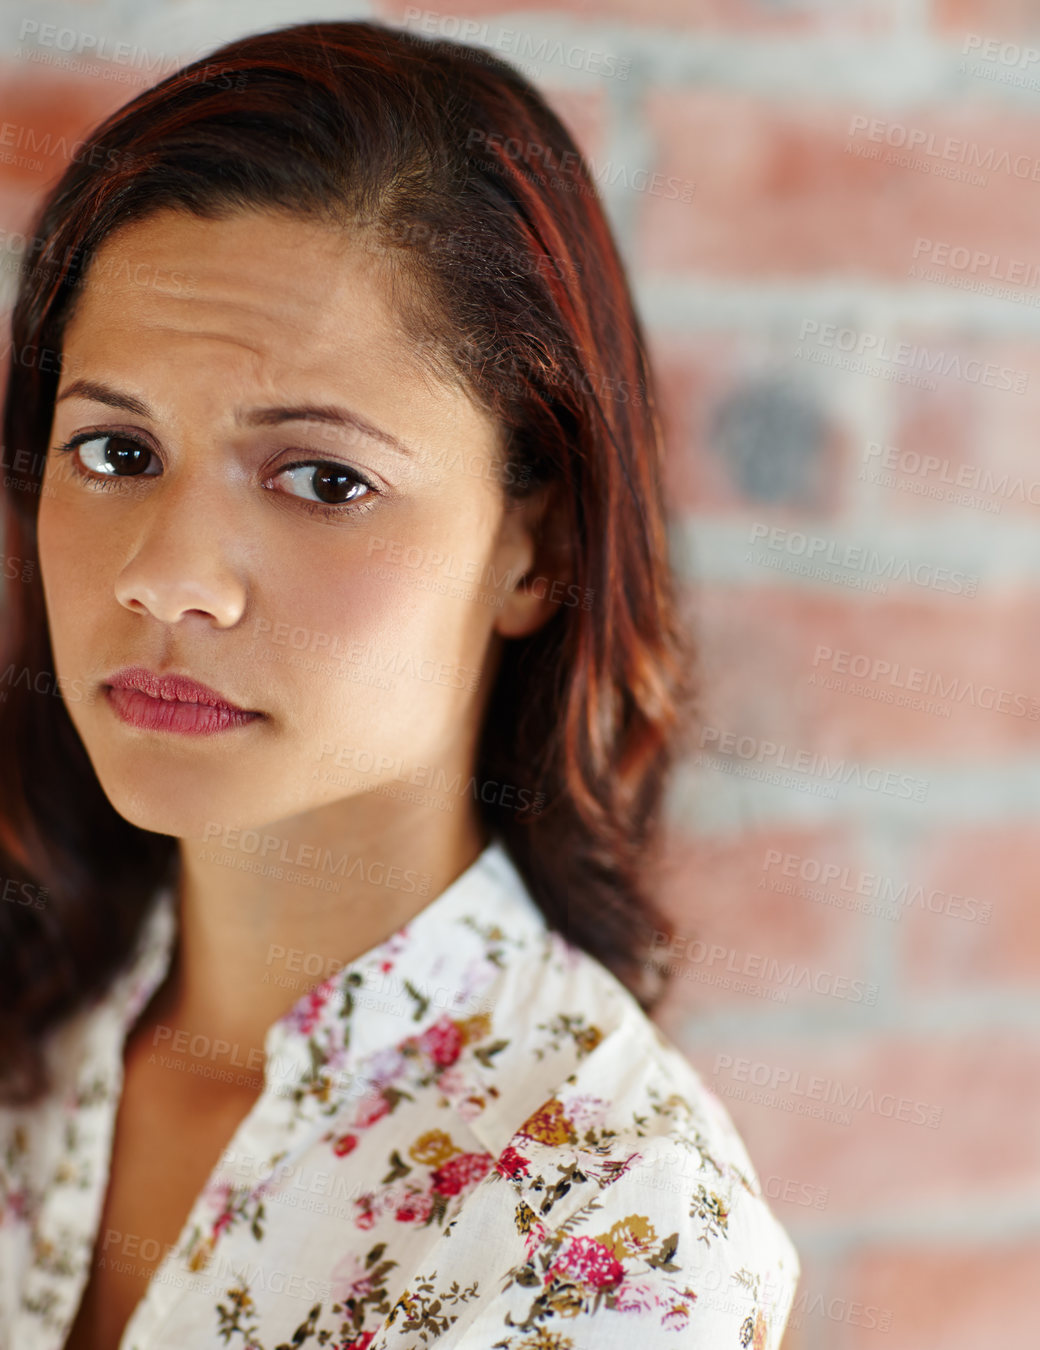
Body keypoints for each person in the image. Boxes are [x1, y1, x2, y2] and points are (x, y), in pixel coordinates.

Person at [0, 19, 799, 1349]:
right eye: (118, 450)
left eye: (323, 479)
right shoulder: (34, 1019)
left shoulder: (605, 1233)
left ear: (532, 549)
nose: (167, 577)